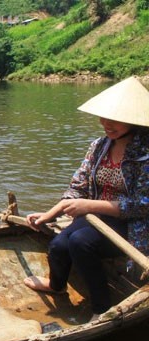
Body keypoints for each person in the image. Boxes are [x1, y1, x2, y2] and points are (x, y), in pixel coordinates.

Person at [23, 76, 149, 319]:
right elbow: (78, 187)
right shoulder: (99, 146)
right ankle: (56, 285)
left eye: (114, 120)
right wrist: (48, 215)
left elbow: (143, 205)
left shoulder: (145, 155)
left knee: (80, 243)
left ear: (134, 122)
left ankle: (101, 308)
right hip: (97, 217)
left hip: (133, 224)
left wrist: (88, 205)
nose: (105, 123)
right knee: (59, 245)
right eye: (103, 117)